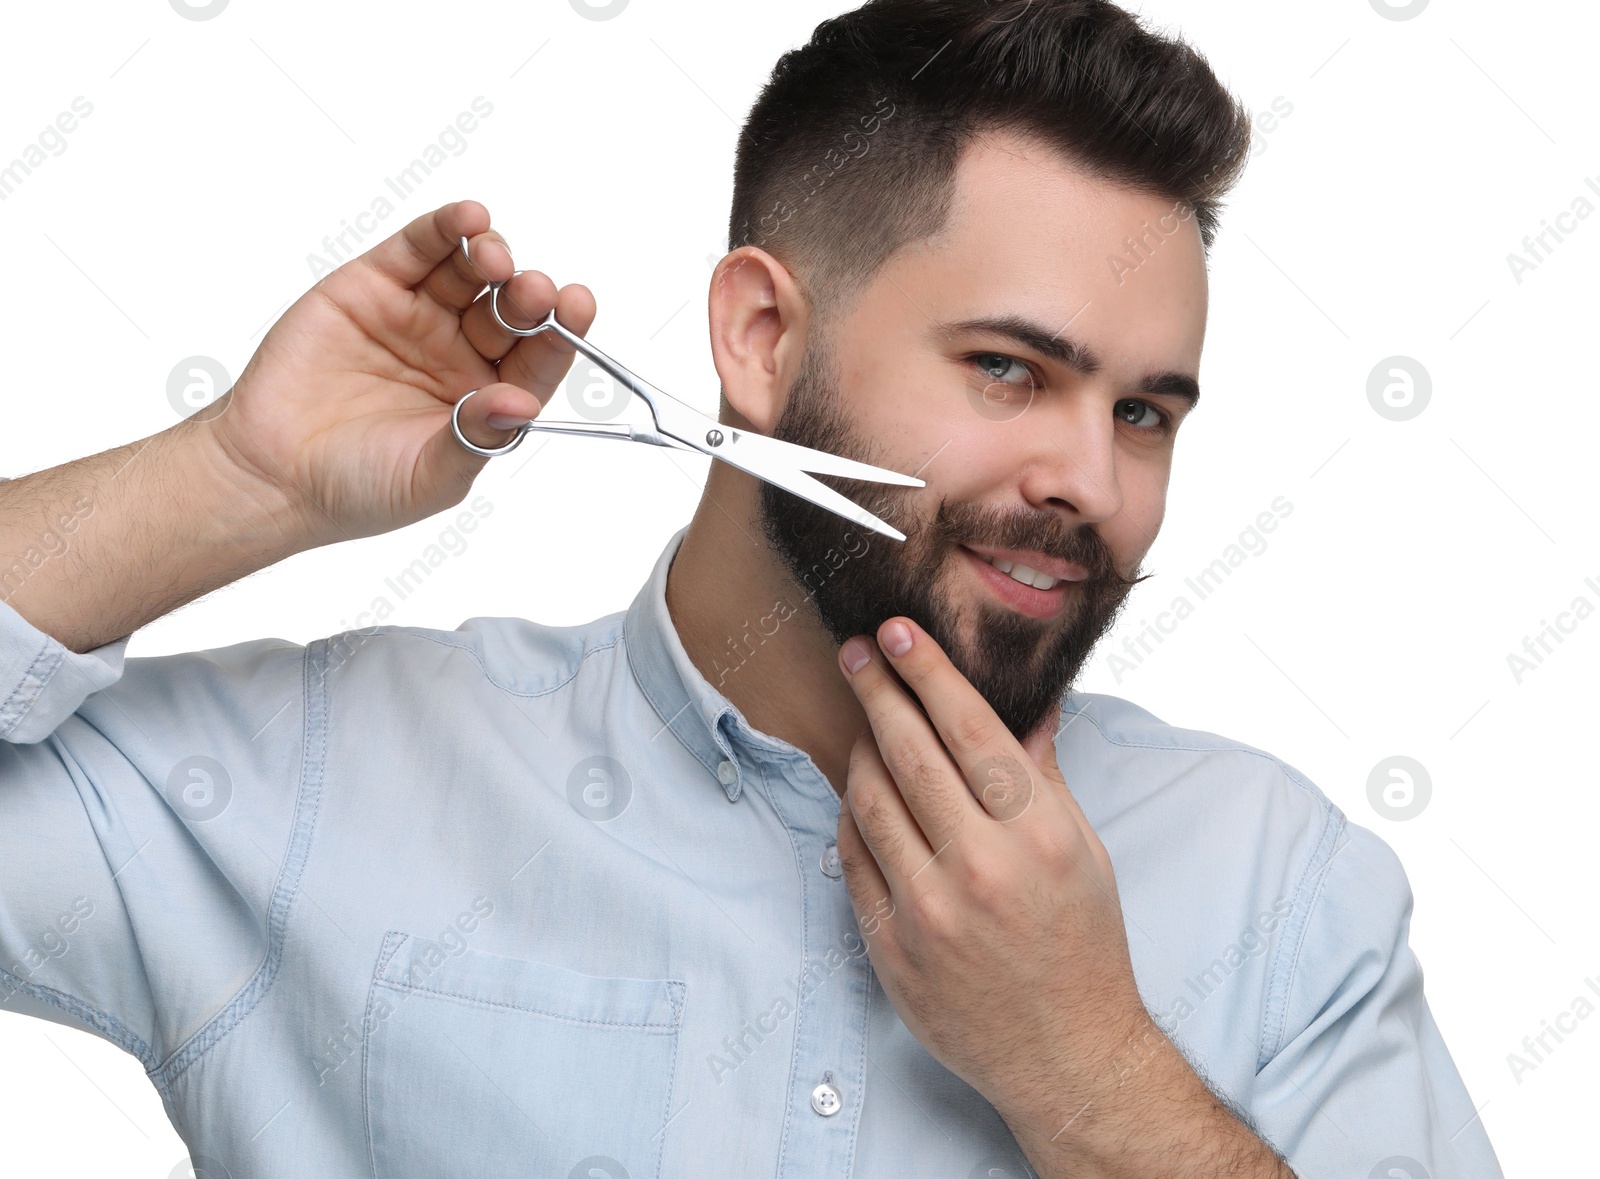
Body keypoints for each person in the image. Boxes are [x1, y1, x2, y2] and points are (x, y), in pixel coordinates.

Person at [0, 1, 1500, 1176]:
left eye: (1143, 413)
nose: (1091, 485)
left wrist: (1091, 1073)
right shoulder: (312, 786)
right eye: (1006, 369)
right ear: (761, 340)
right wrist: (233, 477)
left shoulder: (1286, 894)